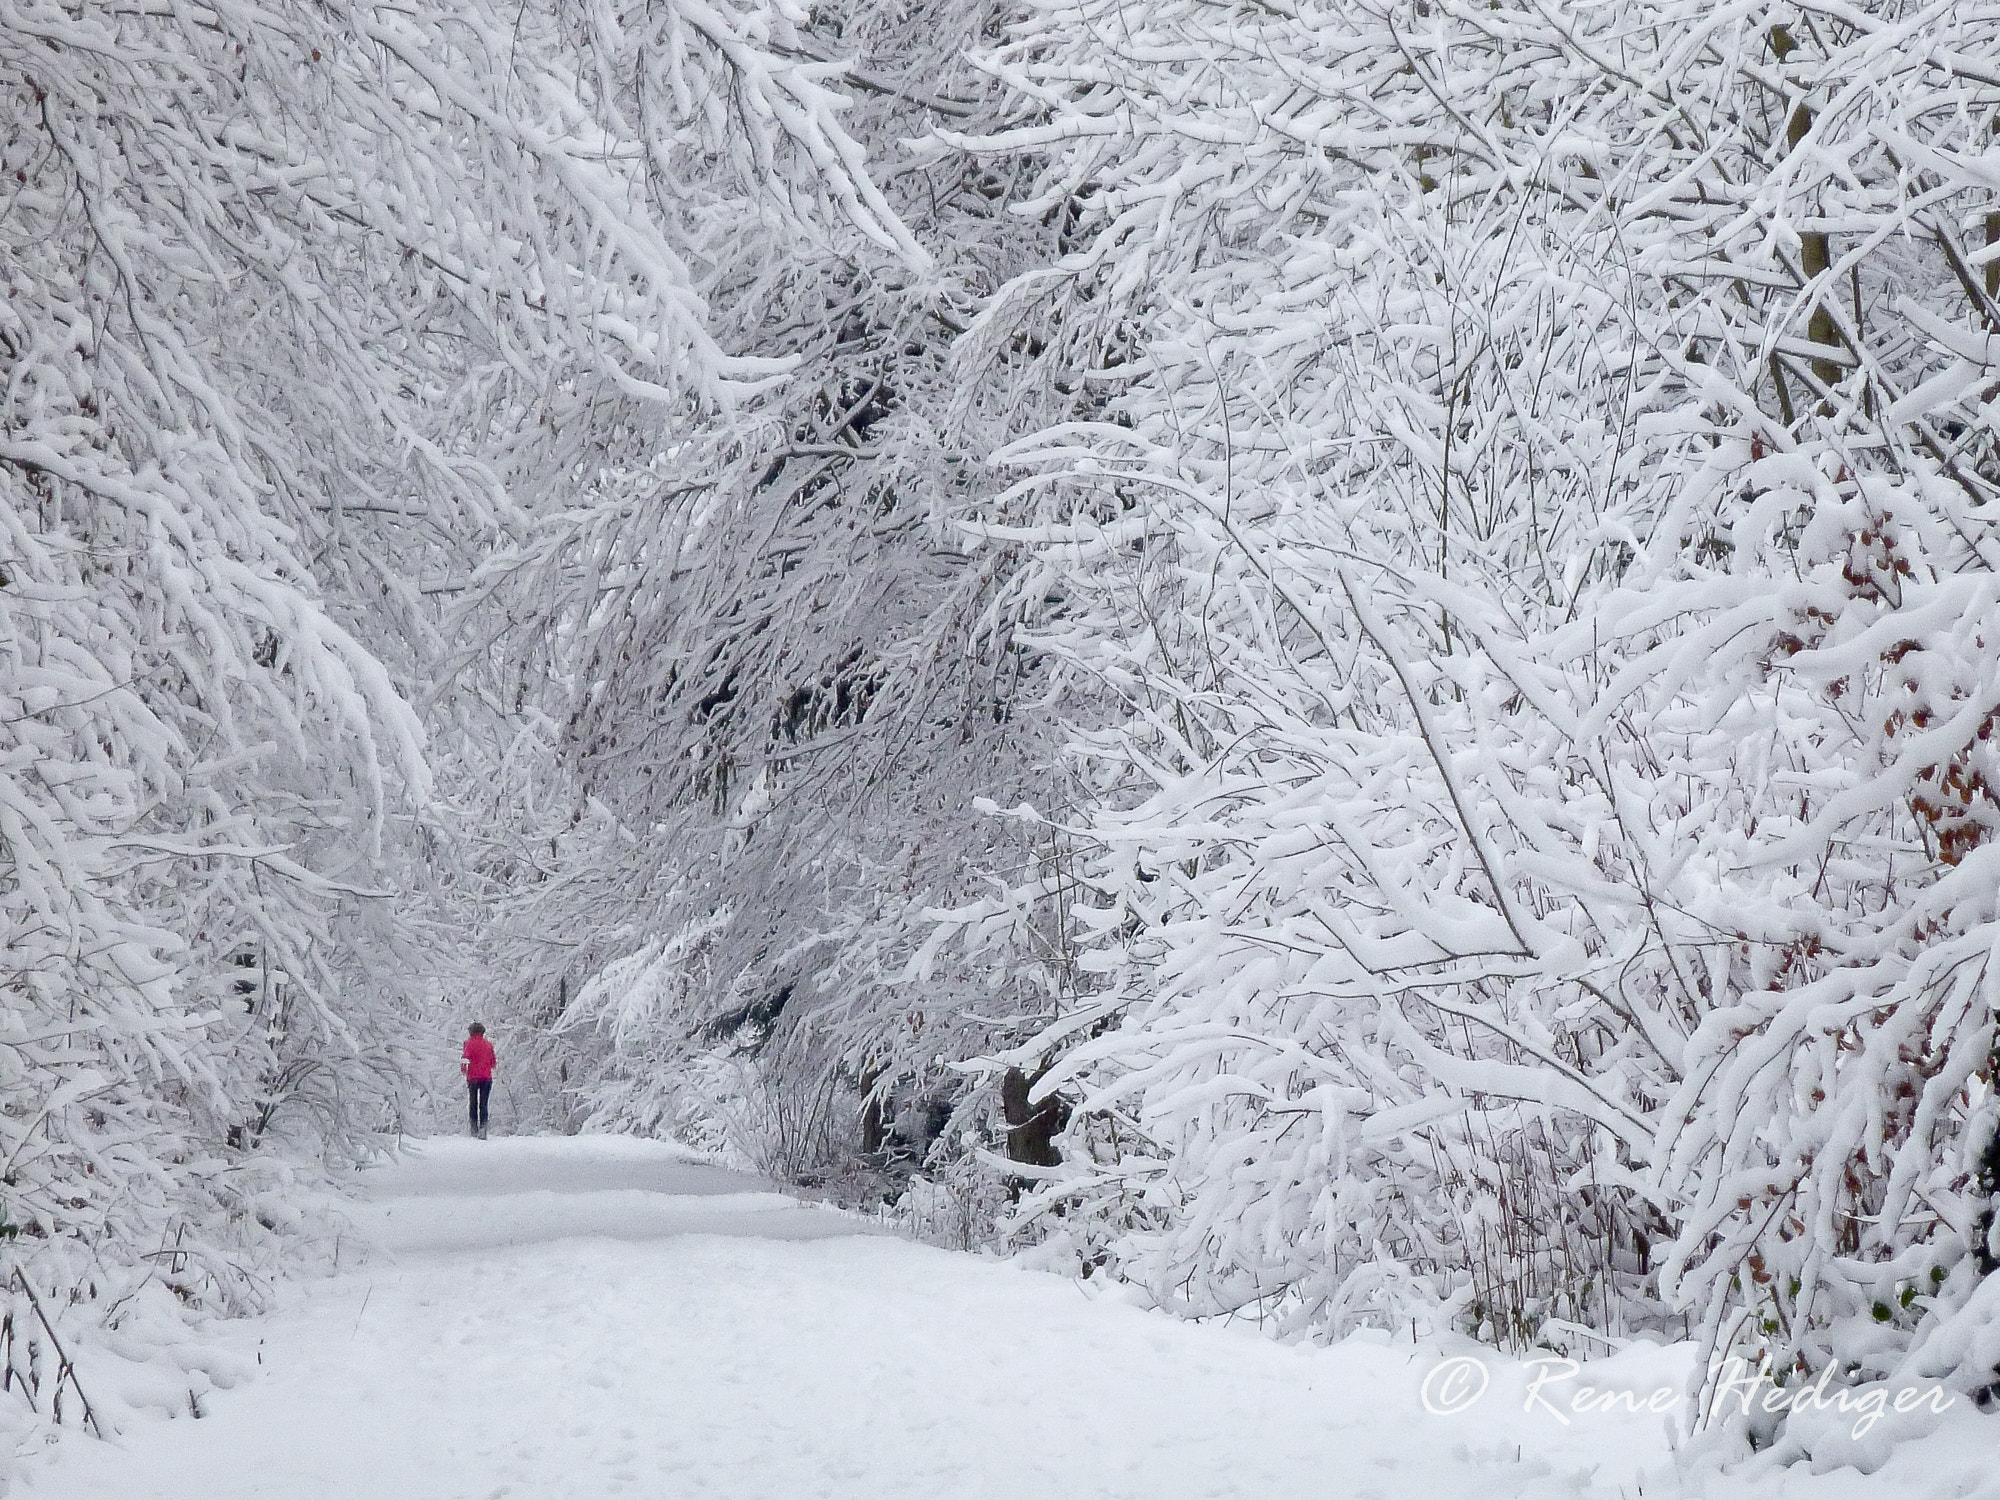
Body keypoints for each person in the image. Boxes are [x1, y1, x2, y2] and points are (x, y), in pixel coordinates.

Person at [461, 1022, 496, 1139]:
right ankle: (483, 1129)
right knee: (484, 1104)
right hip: (486, 1078)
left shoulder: (468, 1044)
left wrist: (465, 1071)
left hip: (473, 1078)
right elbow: (493, 1063)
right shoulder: (489, 1045)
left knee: (473, 1103)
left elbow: (465, 1059)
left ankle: (474, 1130)